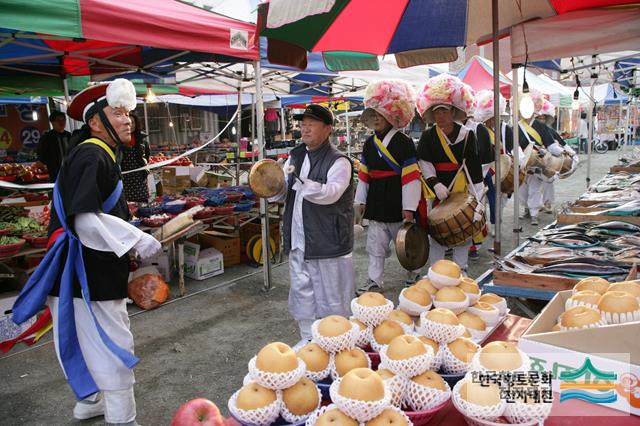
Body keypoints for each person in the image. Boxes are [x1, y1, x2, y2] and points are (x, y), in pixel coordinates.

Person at [12, 79, 161, 426]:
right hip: (87, 270)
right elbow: (83, 220)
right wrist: (136, 238)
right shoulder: (93, 154)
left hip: (83, 269)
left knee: (84, 340)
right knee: (112, 341)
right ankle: (122, 418)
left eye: (128, 114)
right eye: (117, 113)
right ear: (95, 122)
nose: (127, 121)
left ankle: (90, 401)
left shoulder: (96, 152)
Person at [270, 104, 355, 348]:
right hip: (299, 237)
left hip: (328, 240)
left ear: (327, 129)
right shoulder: (296, 155)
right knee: (302, 290)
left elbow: (331, 193)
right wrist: (273, 187)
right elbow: (288, 191)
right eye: (303, 124)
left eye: (311, 124)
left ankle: (339, 343)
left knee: (333, 296)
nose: (305, 129)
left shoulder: (339, 161)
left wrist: (300, 182)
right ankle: (308, 339)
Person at [354, 80, 422, 294]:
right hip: (376, 199)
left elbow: (411, 178)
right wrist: (360, 200)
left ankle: (414, 272)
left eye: (380, 114)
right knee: (375, 245)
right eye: (373, 114)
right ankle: (375, 280)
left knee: (406, 242)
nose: (375, 119)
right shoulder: (368, 143)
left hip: (398, 198)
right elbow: (364, 175)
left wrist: (409, 208)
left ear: (393, 115)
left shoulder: (404, 142)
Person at [415, 74, 484, 273]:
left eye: (444, 111)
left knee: (464, 228)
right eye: (436, 112)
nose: (440, 116)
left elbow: (474, 167)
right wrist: (435, 184)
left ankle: (461, 269)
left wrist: (477, 197)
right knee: (436, 230)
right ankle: (436, 270)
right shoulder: (428, 136)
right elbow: (425, 162)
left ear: (452, 111)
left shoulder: (468, 134)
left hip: (461, 188)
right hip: (437, 190)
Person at [473, 89, 513, 239]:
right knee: (483, 200)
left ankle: (496, 225)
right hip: (485, 170)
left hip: (497, 169)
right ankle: (483, 227)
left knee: (497, 201)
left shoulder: (501, 130)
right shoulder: (481, 130)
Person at [517, 91, 559, 226]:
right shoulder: (516, 126)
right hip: (522, 162)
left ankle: (534, 213)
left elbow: (550, 144)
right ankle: (527, 209)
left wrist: (562, 152)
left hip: (537, 161)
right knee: (522, 190)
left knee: (534, 189)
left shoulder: (541, 127)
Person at [460, 84, 492, 260]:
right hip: (455, 180)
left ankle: (474, 244)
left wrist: (473, 175)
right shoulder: (447, 129)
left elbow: (486, 157)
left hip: (474, 177)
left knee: (474, 210)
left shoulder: (478, 128)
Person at [537, 100, 579, 213]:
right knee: (531, 185)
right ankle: (531, 207)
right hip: (534, 159)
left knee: (548, 181)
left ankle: (548, 203)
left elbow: (561, 143)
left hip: (548, 160)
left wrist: (570, 153)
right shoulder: (530, 130)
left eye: (542, 118)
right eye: (538, 118)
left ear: (546, 119)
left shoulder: (550, 130)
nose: (541, 120)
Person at [121, 113, 151, 202]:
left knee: (142, 204)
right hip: (124, 179)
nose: (130, 125)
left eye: (133, 122)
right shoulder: (118, 141)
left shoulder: (142, 140)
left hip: (140, 179)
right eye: (128, 123)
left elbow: (147, 156)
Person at [37, 110, 71, 182]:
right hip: (55, 174)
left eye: (63, 119)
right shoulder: (46, 138)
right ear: (52, 122)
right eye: (58, 120)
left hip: (70, 171)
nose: (62, 122)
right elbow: (41, 158)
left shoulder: (69, 136)